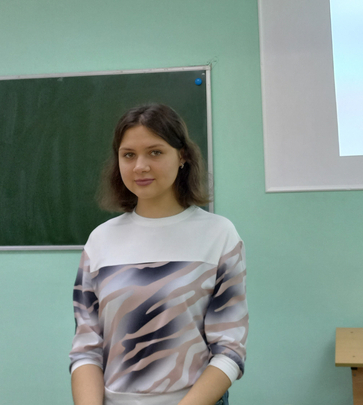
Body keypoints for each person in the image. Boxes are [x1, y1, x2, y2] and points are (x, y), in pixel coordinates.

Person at [69, 104, 248, 405]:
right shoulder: (100, 241)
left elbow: (230, 349)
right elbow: (86, 348)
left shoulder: (219, 235)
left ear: (182, 156)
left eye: (155, 152)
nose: (140, 166)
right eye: (128, 155)